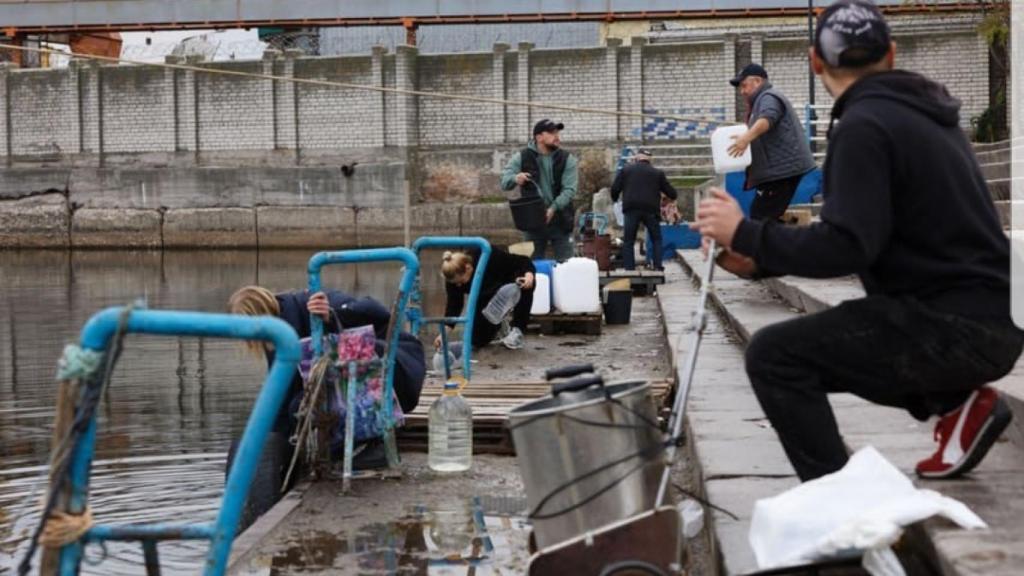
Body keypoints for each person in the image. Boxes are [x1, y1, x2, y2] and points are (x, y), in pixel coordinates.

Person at [693, 0, 1023, 482]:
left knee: (775, 356)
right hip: (991, 318)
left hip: (955, 328)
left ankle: (843, 505)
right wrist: (756, 261)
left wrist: (745, 231)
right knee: (865, 332)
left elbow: (846, 246)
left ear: (815, 62)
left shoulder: (864, 125)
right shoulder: (926, 114)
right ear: (890, 54)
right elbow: (877, 235)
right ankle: (959, 405)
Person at [228, 286, 426, 462]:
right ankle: (350, 445)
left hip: (400, 369)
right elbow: (280, 392)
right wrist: (273, 441)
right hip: (373, 383)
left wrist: (332, 316)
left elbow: (376, 310)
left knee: (344, 357)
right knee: (297, 406)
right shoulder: (278, 338)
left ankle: (376, 442)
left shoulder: (311, 301)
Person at [727, 62, 816, 222]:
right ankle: (784, 242)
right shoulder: (761, 100)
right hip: (778, 172)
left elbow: (768, 118)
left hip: (782, 171)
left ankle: (790, 244)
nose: (742, 91)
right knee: (765, 217)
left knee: (761, 217)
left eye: (744, 85)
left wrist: (745, 139)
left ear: (758, 81)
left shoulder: (768, 97)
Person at [501, 119, 579, 261]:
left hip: (561, 221)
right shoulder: (521, 157)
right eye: (551, 132)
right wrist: (515, 178)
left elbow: (570, 190)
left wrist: (553, 208)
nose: (557, 136)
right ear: (539, 137)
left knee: (567, 266)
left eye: (557, 132)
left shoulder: (568, 159)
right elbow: (504, 181)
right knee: (531, 269)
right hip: (532, 222)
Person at [436, 247, 536, 351]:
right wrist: (443, 334)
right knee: (476, 340)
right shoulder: (453, 279)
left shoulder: (488, 255)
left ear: (468, 268)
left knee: (525, 283)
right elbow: (453, 306)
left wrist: (529, 275)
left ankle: (517, 330)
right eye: (455, 283)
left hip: (508, 283)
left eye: (461, 281)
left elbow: (523, 261)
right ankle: (498, 327)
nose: (459, 285)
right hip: (485, 294)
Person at [611, 147, 678, 270]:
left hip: (631, 209)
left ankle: (629, 268)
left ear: (637, 158)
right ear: (649, 160)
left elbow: (615, 189)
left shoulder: (626, 170)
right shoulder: (657, 173)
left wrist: (615, 199)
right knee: (656, 239)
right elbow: (672, 193)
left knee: (629, 241)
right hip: (651, 209)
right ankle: (658, 266)